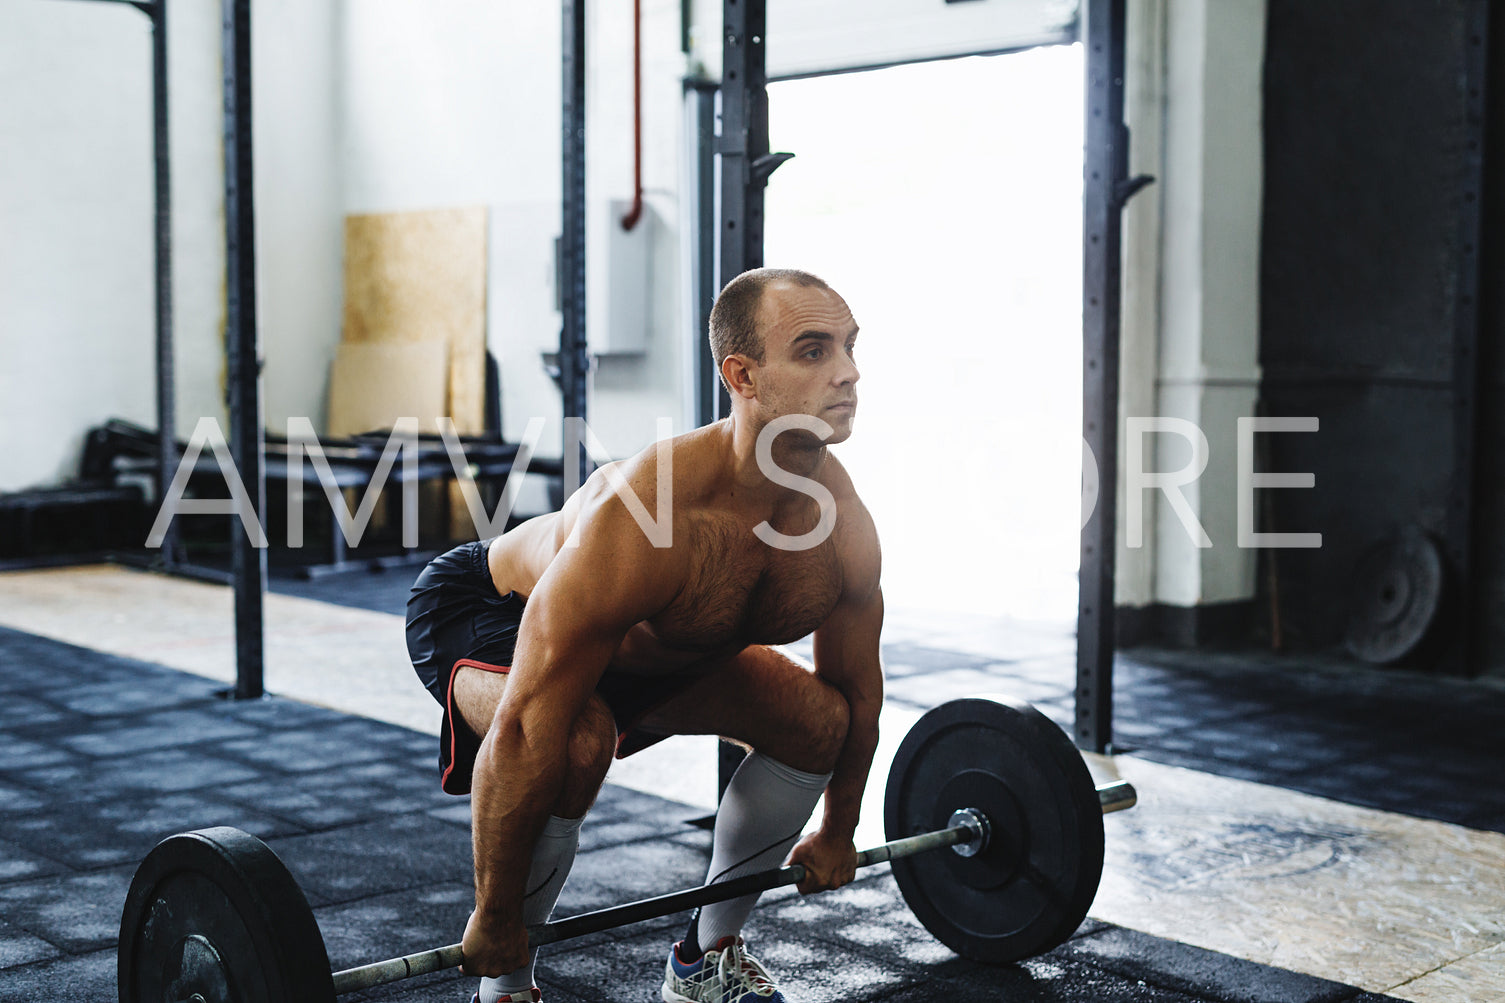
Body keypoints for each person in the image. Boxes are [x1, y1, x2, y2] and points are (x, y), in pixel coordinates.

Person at [405, 268, 884, 1003]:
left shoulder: (842, 525)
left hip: (656, 652)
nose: (849, 372)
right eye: (814, 351)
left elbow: (856, 687)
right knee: (575, 737)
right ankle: (506, 986)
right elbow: (530, 724)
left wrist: (837, 829)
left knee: (815, 719)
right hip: (488, 607)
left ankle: (704, 961)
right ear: (743, 375)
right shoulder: (646, 515)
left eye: (849, 347)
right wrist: (494, 916)